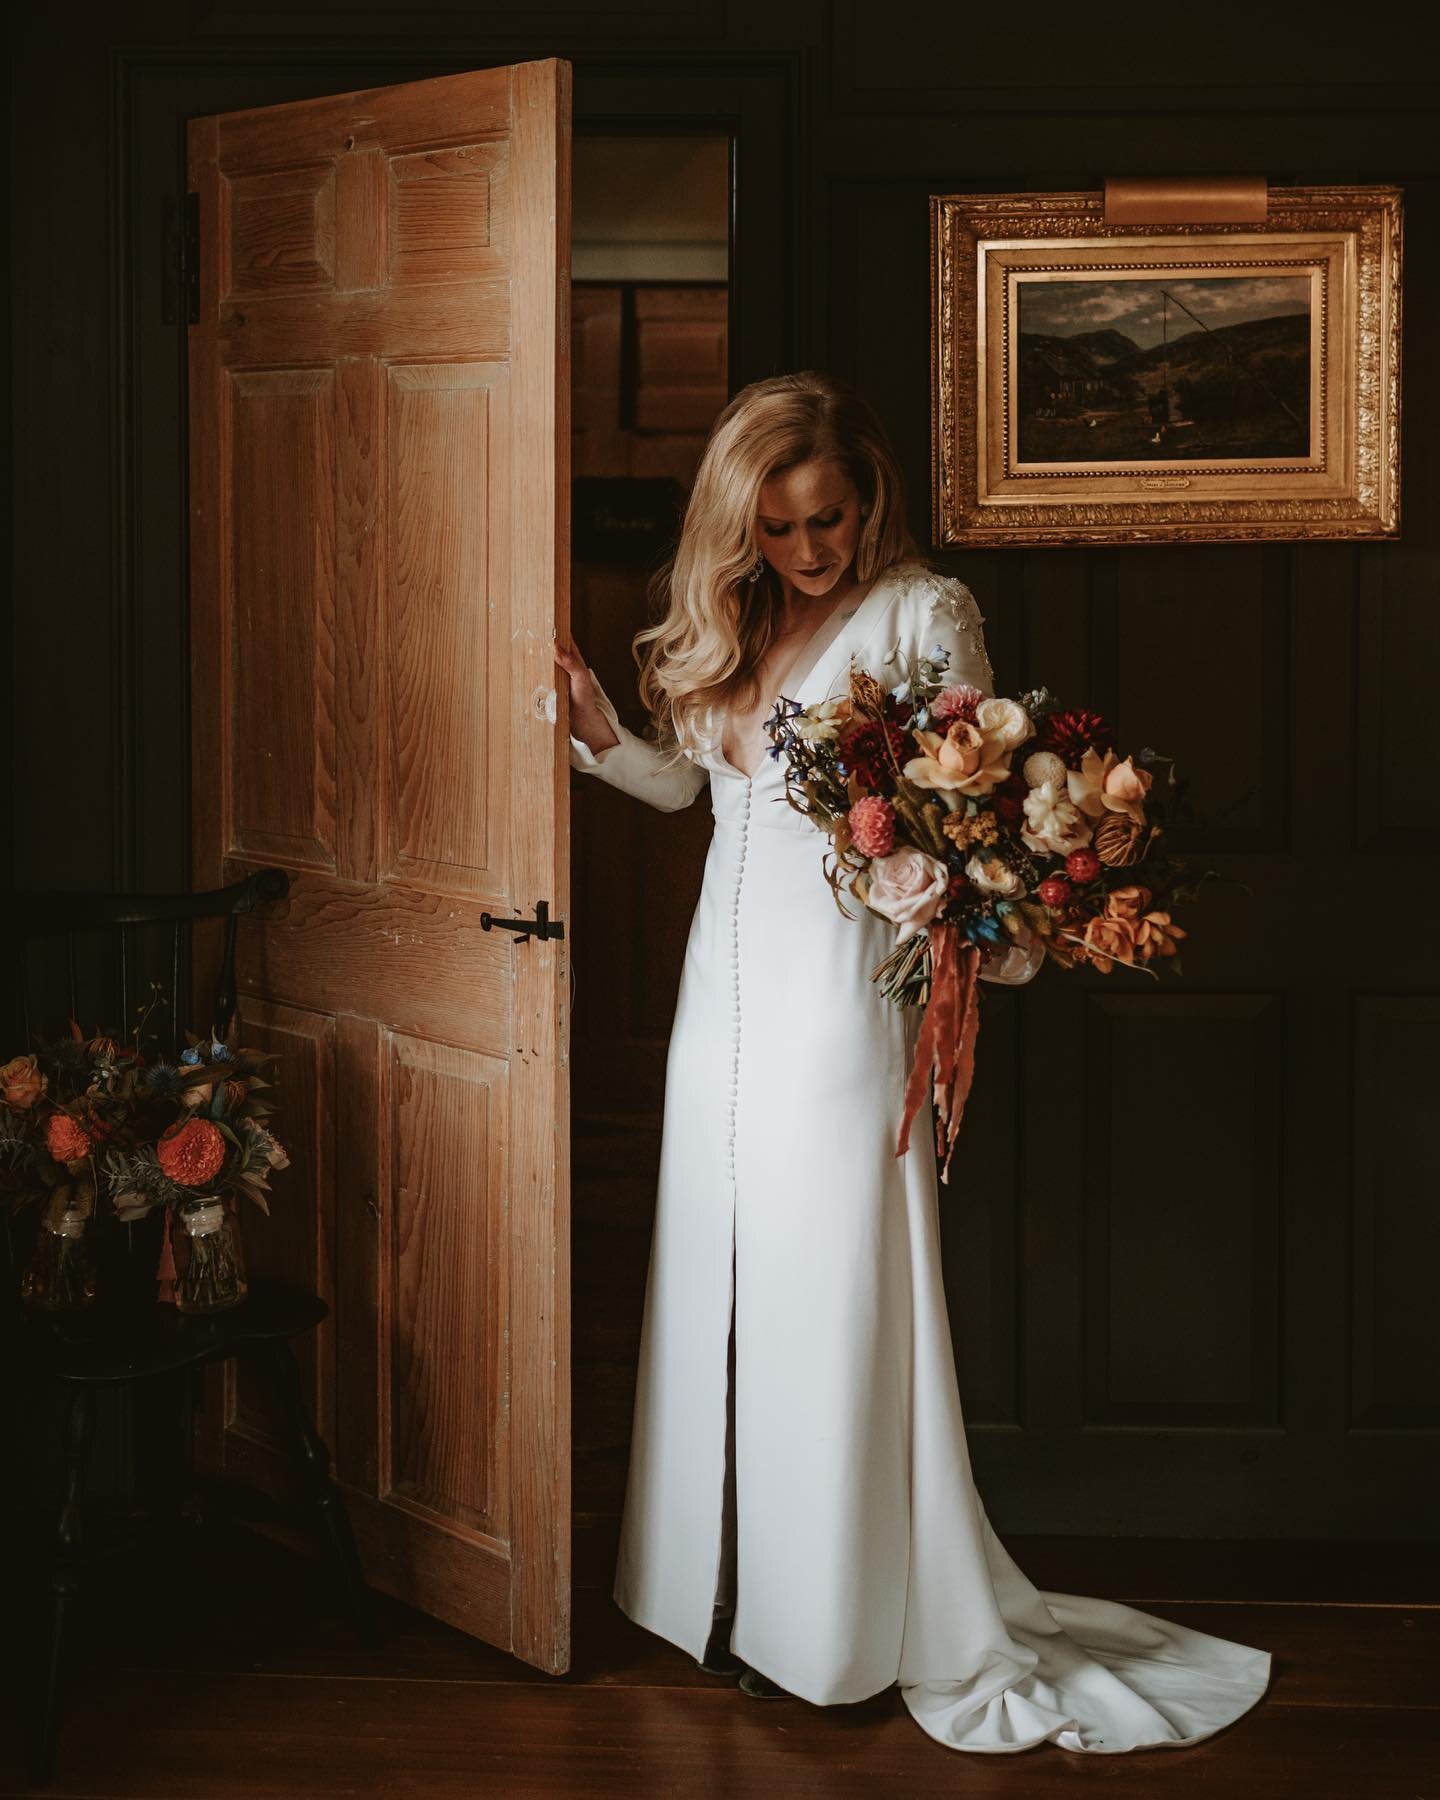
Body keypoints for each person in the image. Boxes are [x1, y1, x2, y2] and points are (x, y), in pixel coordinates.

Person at [555, 371, 1272, 1753]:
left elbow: (969, 822)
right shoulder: (744, 619)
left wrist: (942, 905)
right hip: (723, 1001)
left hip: (838, 1001)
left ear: (864, 495)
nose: (810, 550)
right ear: (741, 528)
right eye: (776, 527)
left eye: (826, 518)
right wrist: (603, 742)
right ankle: (712, 1589)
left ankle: (819, 1626)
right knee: (718, 1271)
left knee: (831, 1289)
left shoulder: (922, 613)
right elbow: (701, 788)